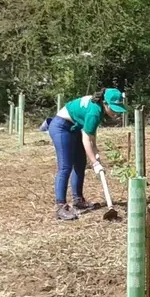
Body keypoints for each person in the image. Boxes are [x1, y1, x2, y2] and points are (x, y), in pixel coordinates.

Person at [49, 88, 127, 221]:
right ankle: (60, 207)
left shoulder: (99, 109)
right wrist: (95, 162)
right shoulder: (95, 112)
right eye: (113, 109)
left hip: (75, 128)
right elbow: (86, 138)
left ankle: (78, 201)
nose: (115, 113)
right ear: (105, 103)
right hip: (61, 127)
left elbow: (91, 133)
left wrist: (95, 150)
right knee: (65, 166)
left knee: (80, 164)